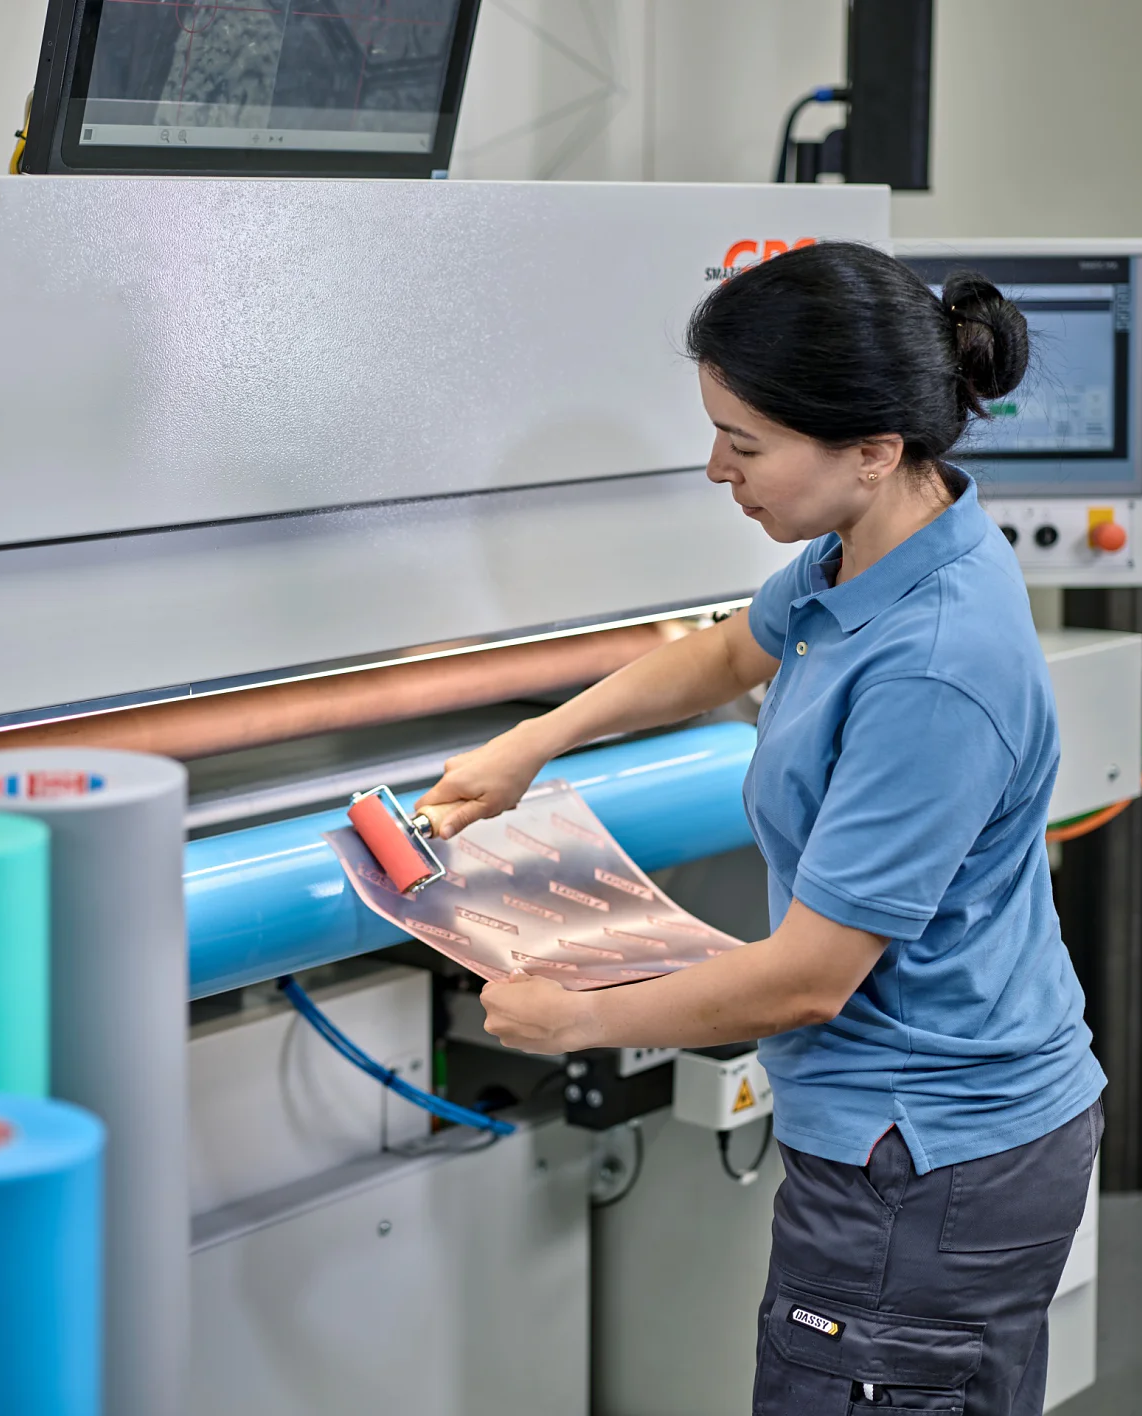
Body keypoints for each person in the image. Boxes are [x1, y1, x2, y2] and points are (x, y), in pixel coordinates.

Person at [414, 242, 1105, 1416]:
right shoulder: (872, 552)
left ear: (872, 451)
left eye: (745, 445)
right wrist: (532, 743)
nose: (714, 470)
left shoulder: (935, 667)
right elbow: (733, 651)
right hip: (928, 1135)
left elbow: (806, 983)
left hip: (925, 1156)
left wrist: (573, 1019)